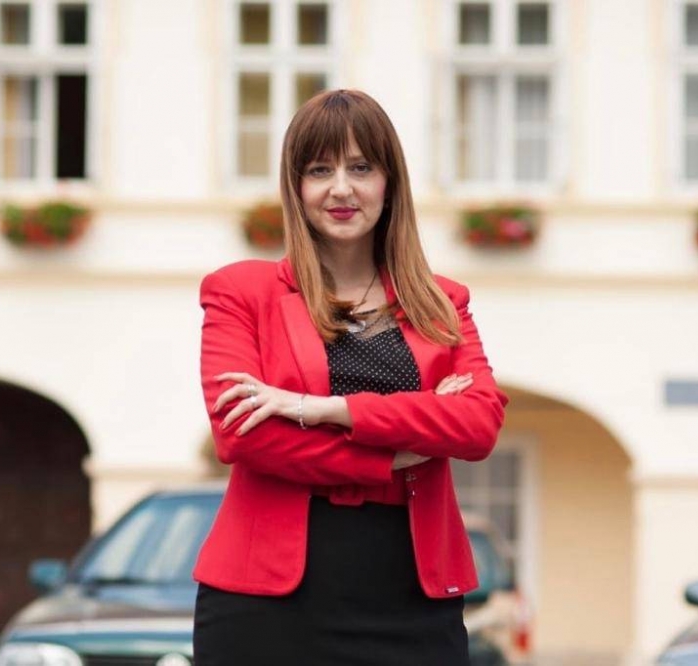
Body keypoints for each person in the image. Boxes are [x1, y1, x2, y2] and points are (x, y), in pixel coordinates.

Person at [192, 88, 509, 665]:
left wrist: (322, 409)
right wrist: (397, 454)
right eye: (320, 170)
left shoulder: (442, 303)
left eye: (361, 168)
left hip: (413, 598)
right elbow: (243, 434)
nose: (341, 188)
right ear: (296, 187)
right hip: (267, 605)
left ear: (390, 183)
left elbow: (478, 424)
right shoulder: (240, 292)